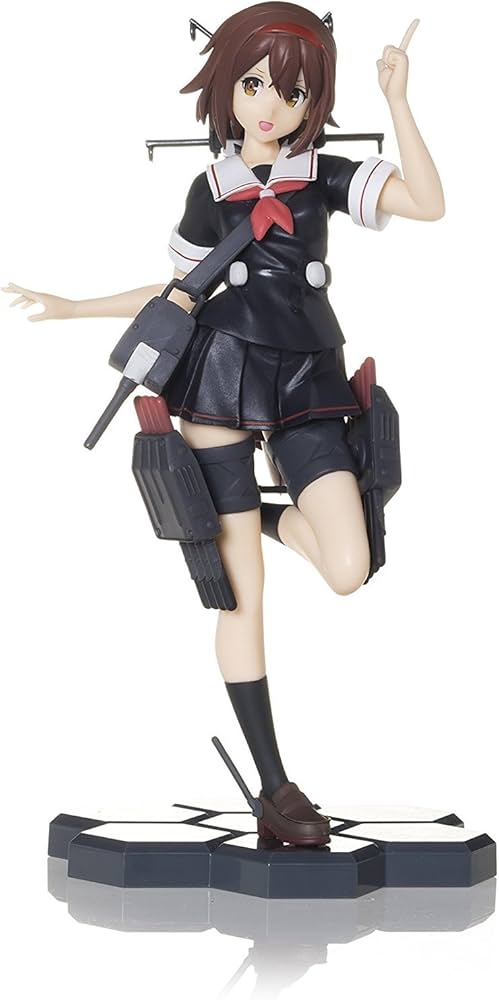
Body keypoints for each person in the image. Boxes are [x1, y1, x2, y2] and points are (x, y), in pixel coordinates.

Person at [2, 3, 444, 847]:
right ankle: (275, 788)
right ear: (226, 88)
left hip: (308, 378)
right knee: (240, 594)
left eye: (291, 91)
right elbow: (178, 292)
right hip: (217, 383)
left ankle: (265, 519)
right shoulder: (209, 191)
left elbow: (427, 203)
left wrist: (397, 99)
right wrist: (73, 307)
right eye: (253, 84)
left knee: (348, 567)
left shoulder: (323, 174)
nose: (269, 105)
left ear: (314, 100)